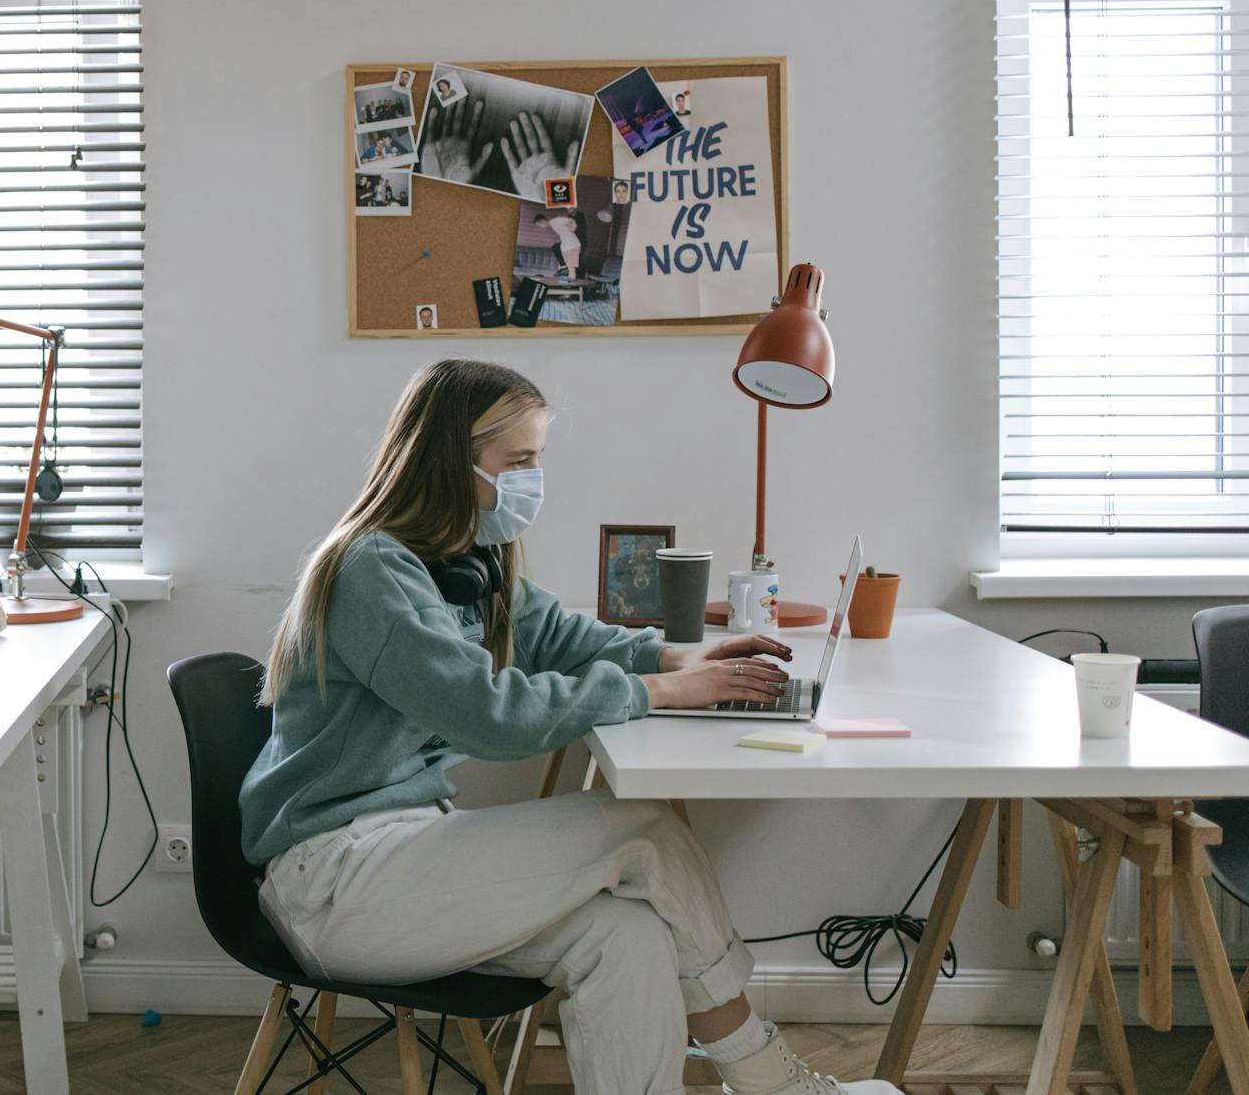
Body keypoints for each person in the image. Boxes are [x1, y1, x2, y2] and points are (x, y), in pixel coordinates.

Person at [241, 360, 902, 1095]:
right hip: (335, 881)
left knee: (629, 936)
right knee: (643, 826)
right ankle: (765, 1076)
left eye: (537, 459)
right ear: (449, 462)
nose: (531, 478)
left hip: (406, 848)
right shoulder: (371, 571)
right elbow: (489, 715)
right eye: (517, 461)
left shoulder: (466, 564)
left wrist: (689, 657)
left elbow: (563, 636)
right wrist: (662, 689)